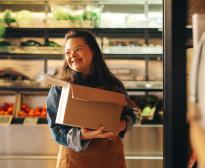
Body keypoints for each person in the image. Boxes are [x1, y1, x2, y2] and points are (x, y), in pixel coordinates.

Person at [46, 30, 136, 168]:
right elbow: (56, 130)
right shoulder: (61, 86)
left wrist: (120, 126)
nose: (72, 55)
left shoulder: (113, 84)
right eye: (68, 52)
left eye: (78, 49)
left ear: (94, 51)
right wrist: (82, 135)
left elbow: (130, 116)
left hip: (110, 156)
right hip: (75, 159)